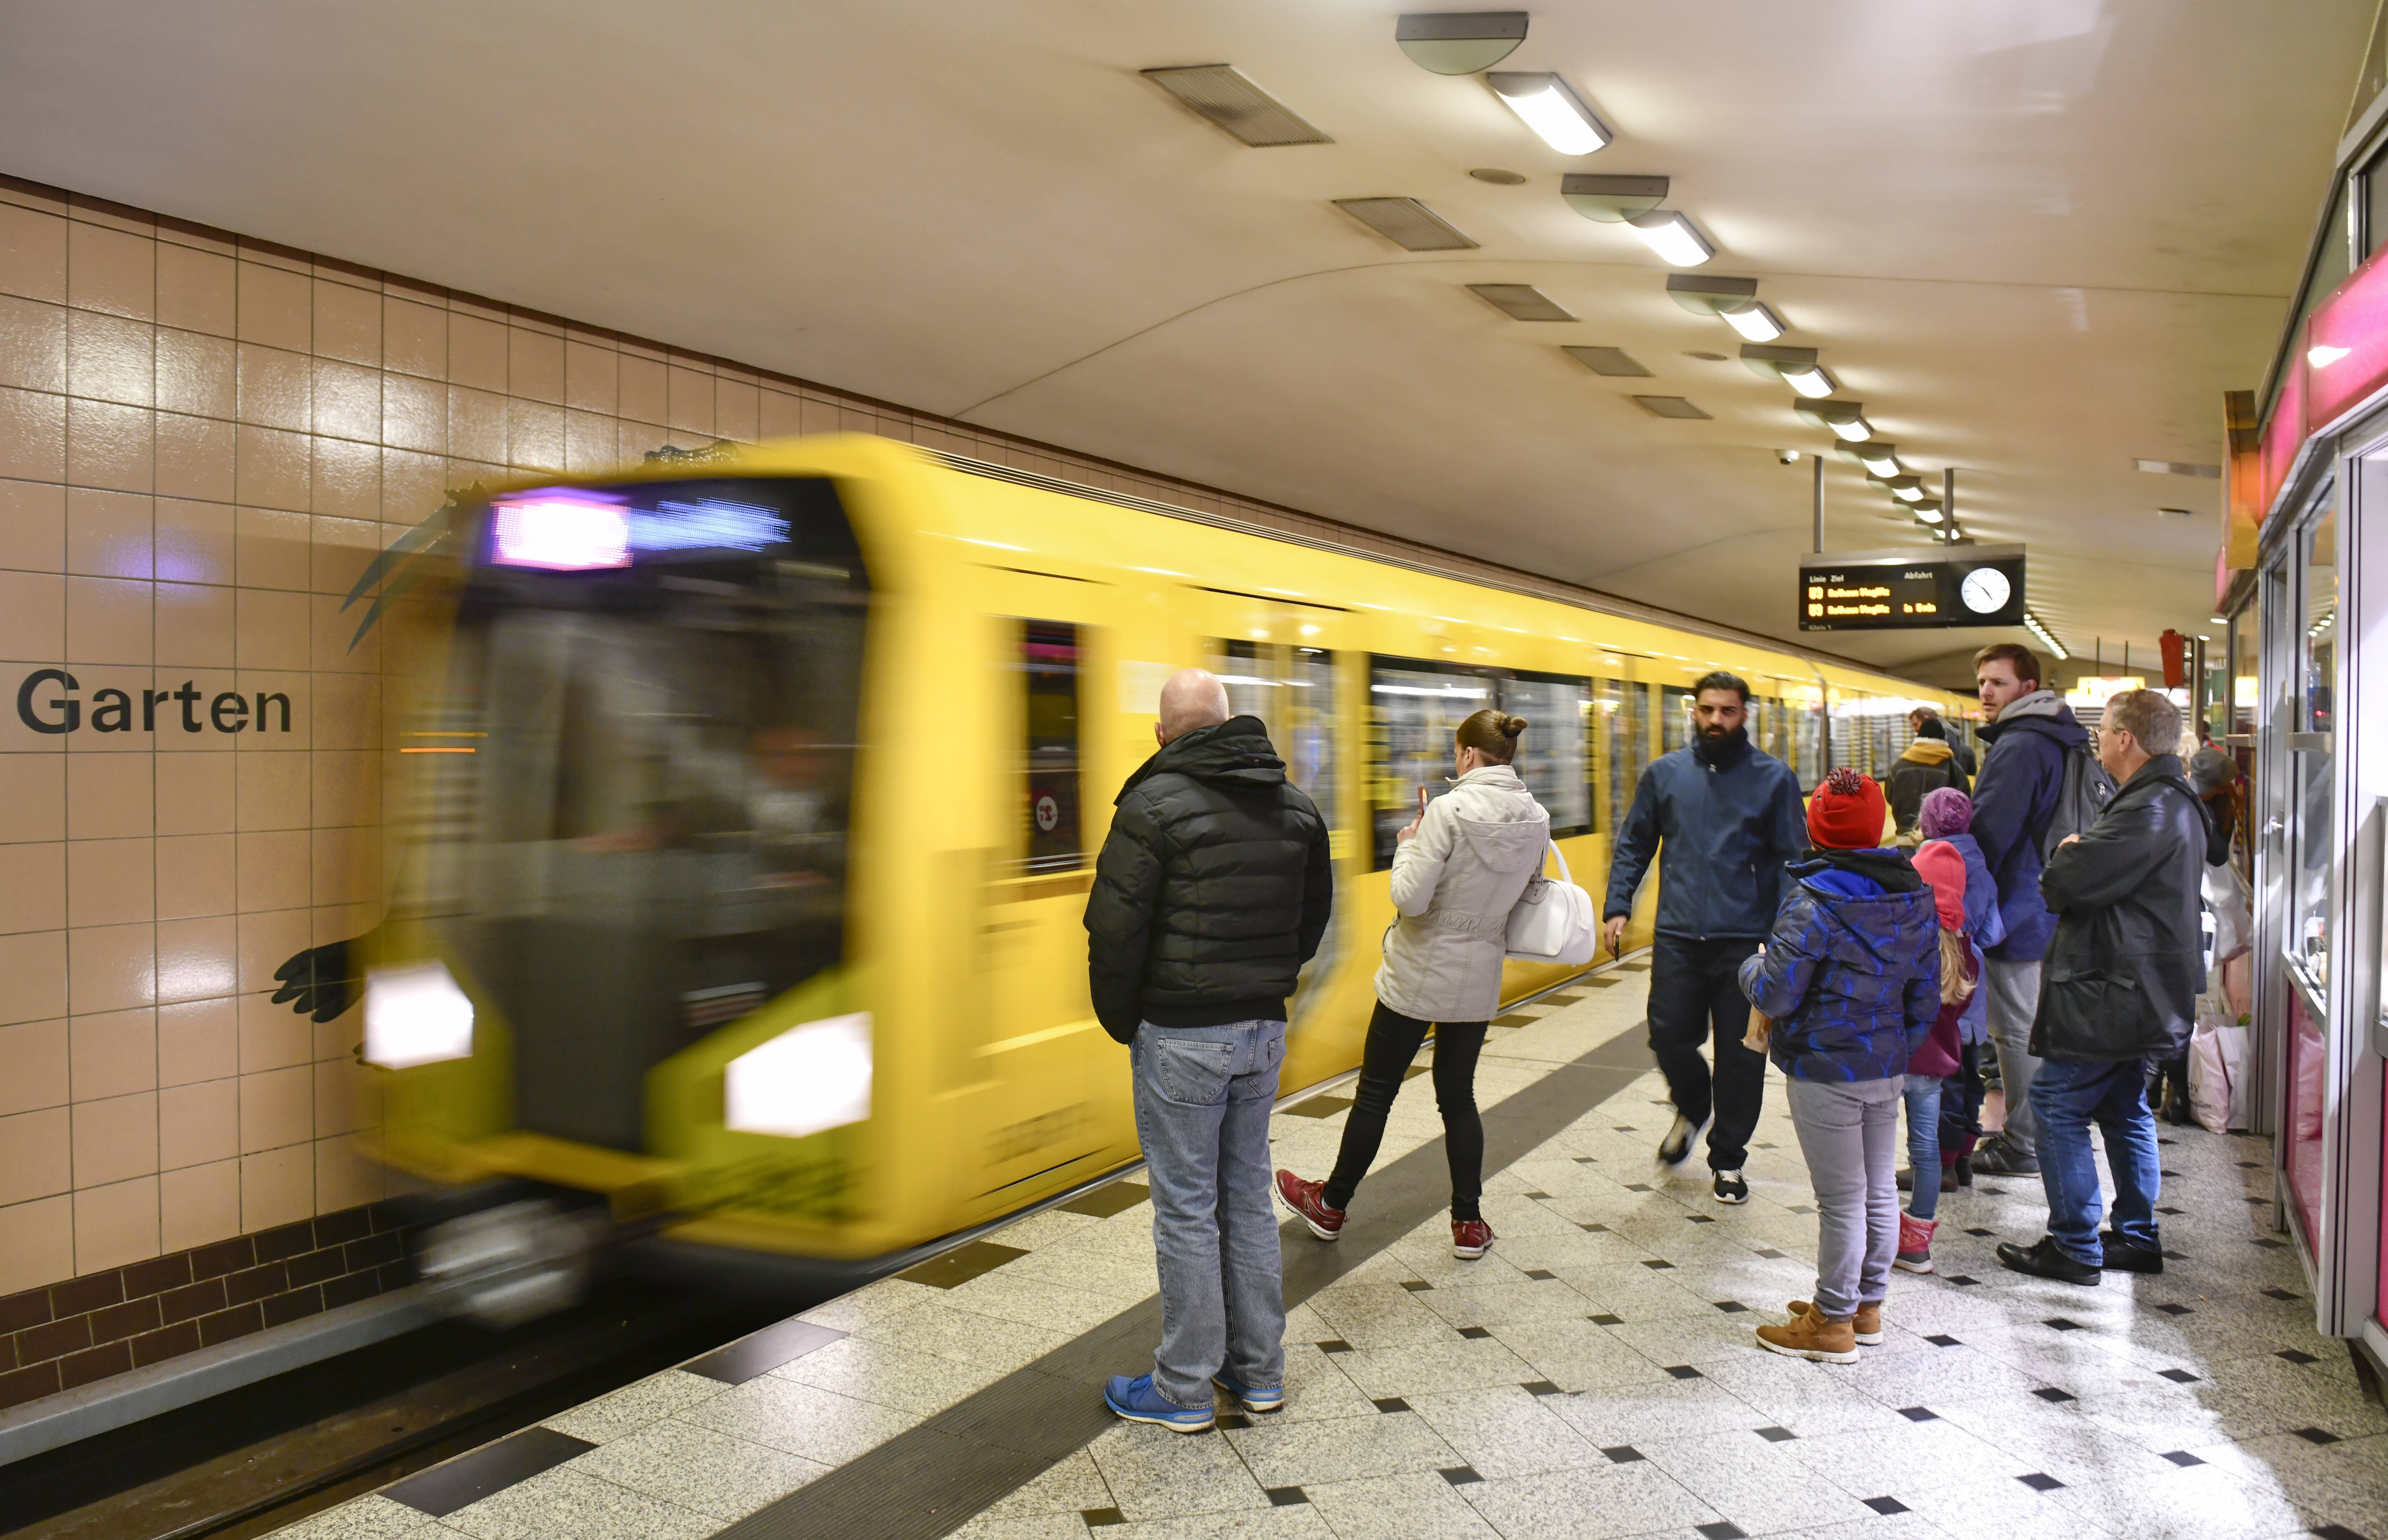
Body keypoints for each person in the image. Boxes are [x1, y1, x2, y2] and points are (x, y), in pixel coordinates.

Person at [1085, 668, 1333, 1432]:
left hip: (1182, 1034)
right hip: (1262, 1031)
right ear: (1231, 724)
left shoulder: (1151, 804)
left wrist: (1129, 1020)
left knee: (1187, 1211)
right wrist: (1266, 984)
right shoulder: (1296, 807)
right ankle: (1259, 1373)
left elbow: (1115, 929)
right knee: (1248, 1201)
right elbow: (1313, 920)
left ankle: (1185, 1386)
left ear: (1163, 735)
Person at [1276, 710, 1550, 1260]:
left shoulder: (1446, 812)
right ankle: (1468, 1223)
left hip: (1417, 972)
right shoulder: (1536, 816)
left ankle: (1330, 1204)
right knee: (1458, 1097)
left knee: (1376, 1092)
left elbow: (1409, 898)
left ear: (1468, 754)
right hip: (1477, 977)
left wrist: (1408, 842)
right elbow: (1528, 890)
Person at [1997, 690, 2204, 1285]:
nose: (2097, 739)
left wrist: (2065, 854)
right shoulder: (2163, 798)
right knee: (2121, 1107)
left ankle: (2074, 1245)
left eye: (2105, 729)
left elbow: (2068, 883)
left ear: (2125, 740)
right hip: (2135, 989)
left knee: (2056, 1104)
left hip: (2112, 990)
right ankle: (2137, 1237)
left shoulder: (2149, 809)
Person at [1738, 769, 1940, 1361]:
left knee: (1842, 1199)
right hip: (1885, 1063)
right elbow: (1925, 993)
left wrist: (1748, 968)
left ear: (1815, 827)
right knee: (1877, 1190)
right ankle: (1866, 1306)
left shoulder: (1813, 901)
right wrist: (1898, 1046)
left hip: (1826, 1069)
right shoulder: (1912, 891)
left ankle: (1830, 1321)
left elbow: (1775, 994)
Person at [1602, 671, 1808, 1204]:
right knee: (1668, 1036)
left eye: (1727, 711)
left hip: (1746, 942)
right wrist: (1617, 905)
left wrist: (1785, 931)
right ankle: (1693, 1105)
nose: (1715, 720)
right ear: (1692, 712)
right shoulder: (1665, 774)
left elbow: (1793, 860)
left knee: (1741, 1056)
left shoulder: (1772, 779)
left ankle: (1728, 1159)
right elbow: (1634, 844)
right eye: (1706, 710)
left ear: (1744, 715)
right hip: (1677, 935)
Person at [1964, 643, 2092, 1178]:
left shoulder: (2020, 745)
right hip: (2044, 903)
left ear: (2028, 687)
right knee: (2028, 1026)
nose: (1986, 692)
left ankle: (2023, 1143)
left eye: (1997, 682)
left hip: (2016, 907)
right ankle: (2032, 1134)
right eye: (1981, 682)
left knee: (2013, 1030)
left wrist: (1959, 885)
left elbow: (1989, 831)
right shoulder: (2056, 737)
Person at [1896, 840, 1979, 1274]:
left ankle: (1869, 1235)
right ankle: (1916, 1244)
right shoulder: (1966, 956)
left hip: (1892, 1061)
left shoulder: (1906, 943)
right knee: (1925, 1152)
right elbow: (1960, 1012)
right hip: (1932, 1070)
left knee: (1871, 1146)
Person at [1887, 717, 1968, 840]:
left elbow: (1889, 796)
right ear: (1943, 740)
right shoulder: (1953, 768)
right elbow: (1965, 801)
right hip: (1939, 840)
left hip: (1906, 836)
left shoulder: (1899, 767)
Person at [1911, 706, 1976, 781]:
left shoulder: (1944, 734)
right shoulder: (1947, 733)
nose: (1916, 729)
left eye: (1916, 725)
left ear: (1926, 718)